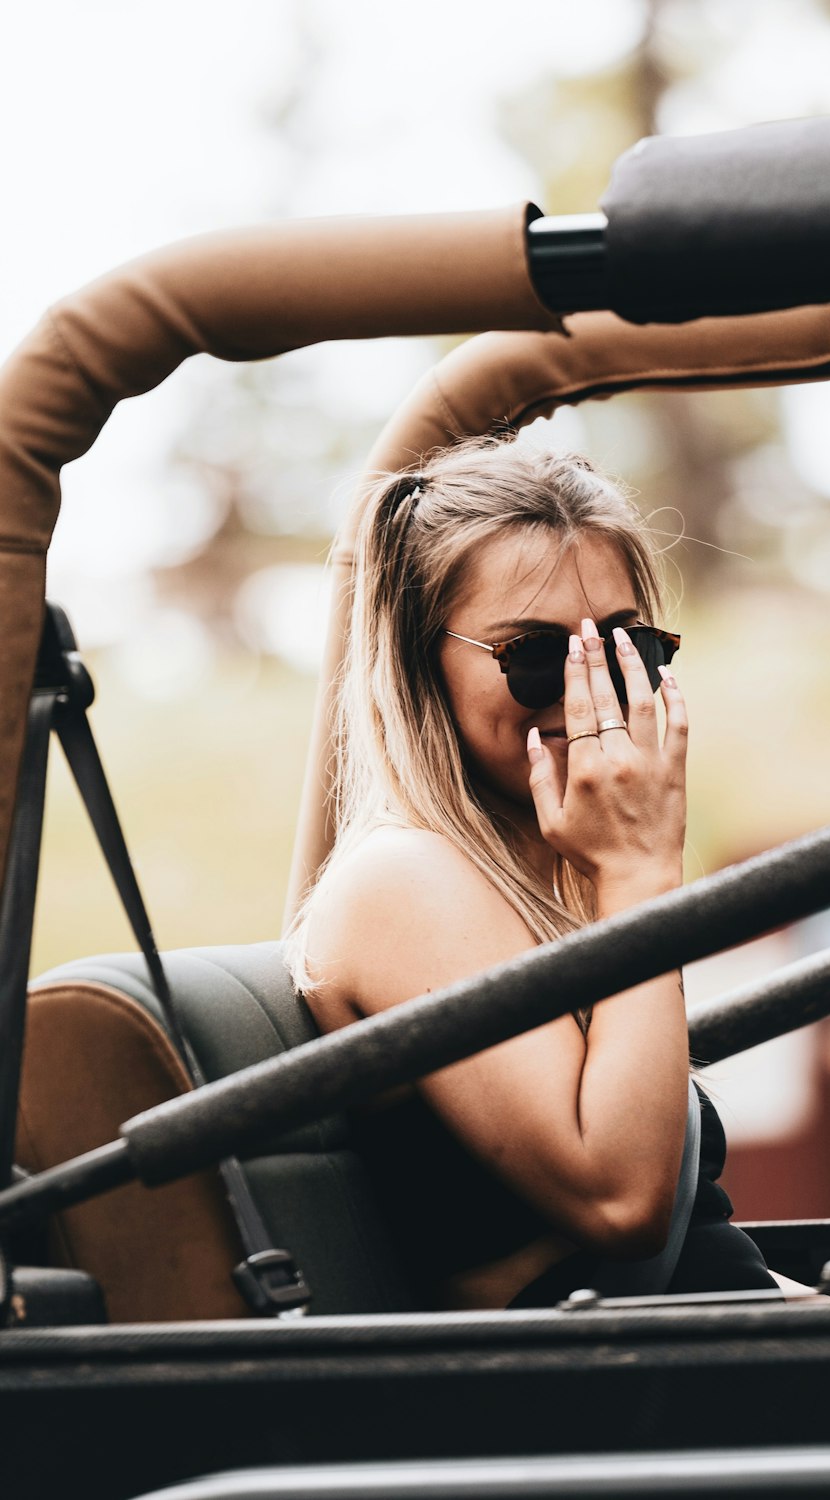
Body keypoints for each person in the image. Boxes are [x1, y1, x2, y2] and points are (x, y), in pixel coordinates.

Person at [285, 438, 777, 1310]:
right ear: (419, 664)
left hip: (698, 1352)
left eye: (624, 648)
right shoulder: (406, 879)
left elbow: (703, 1245)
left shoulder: (555, 870)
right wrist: (637, 872)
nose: (587, 690)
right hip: (591, 1404)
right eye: (536, 655)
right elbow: (621, 1201)